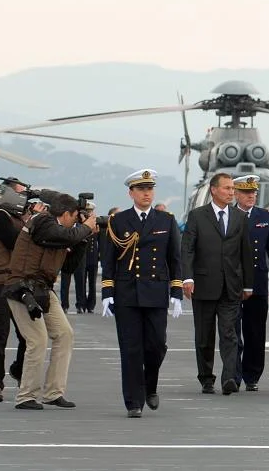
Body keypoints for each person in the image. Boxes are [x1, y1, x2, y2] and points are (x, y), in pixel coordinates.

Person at [101, 169, 184, 418]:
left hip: (156, 290)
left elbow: (174, 258)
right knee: (131, 349)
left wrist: (176, 290)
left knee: (156, 346)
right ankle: (133, 401)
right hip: (127, 292)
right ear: (131, 193)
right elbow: (109, 260)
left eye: (150, 189)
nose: (147, 193)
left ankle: (150, 385)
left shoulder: (165, 220)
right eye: (141, 189)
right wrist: (107, 291)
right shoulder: (118, 221)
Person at [4, 191, 96, 410]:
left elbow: (69, 267)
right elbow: (64, 236)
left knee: (64, 334)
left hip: (43, 290)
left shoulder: (60, 233)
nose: (76, 221)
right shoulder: (43, 222)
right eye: (75, 217)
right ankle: (26, 395)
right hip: (22, 289)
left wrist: (84, 238)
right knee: (38, 339)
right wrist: (85, 228)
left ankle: (53, 392)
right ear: (66, 214)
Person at [182, 173, 254, 396]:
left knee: (230, 334)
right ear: (214, 190)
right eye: (227, 188)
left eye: (233, 188)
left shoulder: (239, 217)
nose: (232, 192)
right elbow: (187, 249)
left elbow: (245, 251)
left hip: (231, 286)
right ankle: (206, 377)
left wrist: (248, 284)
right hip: (203, 285)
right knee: (204, 337)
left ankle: (229, 377)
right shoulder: (197, 216)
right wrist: (187, 277)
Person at [0, 178, 34, 402]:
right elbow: (16, 242)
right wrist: (30, 221)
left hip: (15, 283)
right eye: (21, 194)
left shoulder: (13, 218)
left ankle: (19, 370)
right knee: (0, 335)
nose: (24, 199)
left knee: (26, 334)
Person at [231, 174, 269, 392]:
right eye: (246, 193)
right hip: (232, 282)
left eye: (254, 193)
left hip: (258, 283)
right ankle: (232, 373)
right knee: (231, 331)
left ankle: (252, 375)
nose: (251, 196)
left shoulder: (264, 217)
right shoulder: (229, 215)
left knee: (255, 332)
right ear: (236, 194)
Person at [59, 203, 93, 312]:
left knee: (81, 281)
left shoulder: (82, 226)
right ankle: (64, 305)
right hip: (66, 255)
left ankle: (80, 305)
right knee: (65, 283)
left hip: (79, 258)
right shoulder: (64, 225)